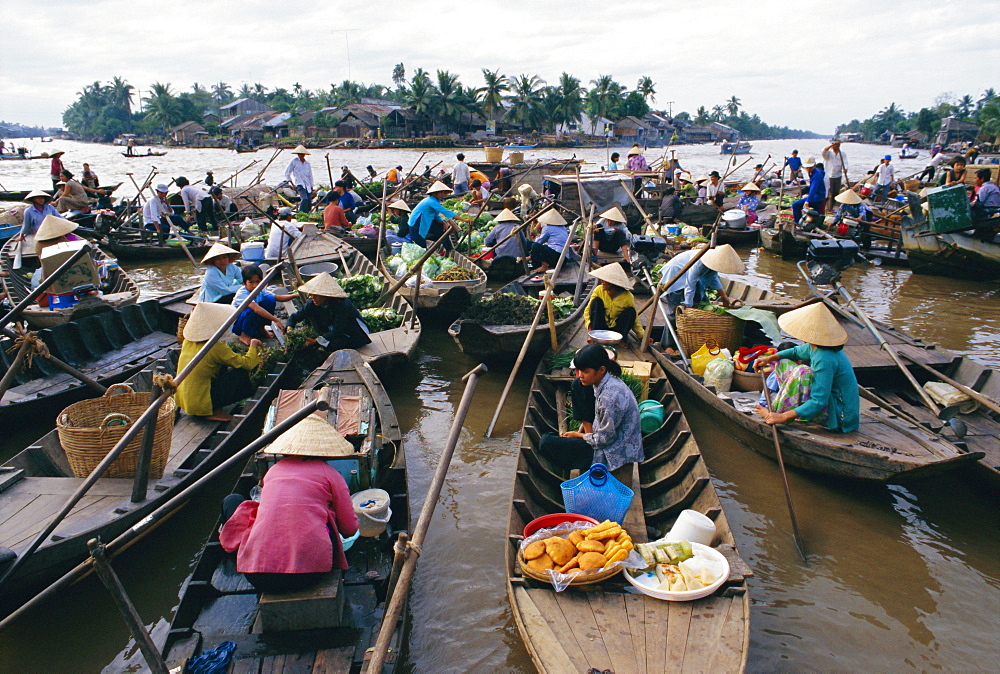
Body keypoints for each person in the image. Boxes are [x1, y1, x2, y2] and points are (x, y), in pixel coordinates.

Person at [219, 415, 359, 593]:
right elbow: (350, 529)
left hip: (257, 577)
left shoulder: (273, 471)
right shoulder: (331, 474)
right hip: (310, 574)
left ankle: (236, 551)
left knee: (232, 501)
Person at [753, 303, 859, 432]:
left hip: (838, 415)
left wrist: (784, 416)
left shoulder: (824, 358)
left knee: (803, 371)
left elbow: (818, 401)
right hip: (827, 401)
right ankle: (780, 408)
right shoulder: (816, 346)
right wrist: (768, 359)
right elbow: (796, 352)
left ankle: (776, 412)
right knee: (783, 361)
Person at [537, 344, 643, 472]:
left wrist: (578, 435)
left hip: (615, 452)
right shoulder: (607, 381)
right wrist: (583, 432)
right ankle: (585, 437)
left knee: (546, 442)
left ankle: (588, 464)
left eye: (586, 371)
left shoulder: (608, 398)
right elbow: (599, 417)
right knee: (578, 384)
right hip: (607, 438)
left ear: (601, 370)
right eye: (579, 370)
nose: (580, 375)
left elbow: (605, 440)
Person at [175, 302, 262, 422]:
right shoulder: (215, 347)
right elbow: (247, 364)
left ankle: (213, 406)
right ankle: (215, 411)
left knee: (221, 367)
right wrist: (253, 345)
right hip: (199, 404)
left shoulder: (187, 341)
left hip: (185, 401)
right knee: (240, 372)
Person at [286, 273, 371, 352]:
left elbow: (338, 330)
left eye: (316, 295)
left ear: (325, 295)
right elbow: (295, 317)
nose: (313, 298)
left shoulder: (341, 305)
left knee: (332, 345)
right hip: (333, 328)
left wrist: (316, 340)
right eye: (311, 295)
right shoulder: (312, 303)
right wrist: (289, 328)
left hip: (352, 331)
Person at [231, 265, 296, 344]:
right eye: (251, 282)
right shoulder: (242, 293)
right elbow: (256, 309)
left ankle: (261, 328)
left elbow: (277, 297)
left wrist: (295, 295)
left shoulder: (260, 290)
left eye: (258, 282)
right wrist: (275, 320)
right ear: (244, 283)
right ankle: (244, 335)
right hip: (238, 324)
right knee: (252, 310)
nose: (255, 285)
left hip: (250, 318)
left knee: (270, 300)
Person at [584, 262, 643, 342]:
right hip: (600, 326)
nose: (602, 281)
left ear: (613, 283)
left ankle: (621, 339)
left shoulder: (628, 297)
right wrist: (590, 327)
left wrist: (642, 336)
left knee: (631, 311)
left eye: (606, 280)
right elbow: (588, 311)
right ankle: (595, 335)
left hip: (616, 330)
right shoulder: (599, 290)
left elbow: (635, 320)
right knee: (596, 302)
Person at [409, 181, 458, 250]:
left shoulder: (435, 200)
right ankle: (425, 254)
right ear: (436, 193)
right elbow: (445, 212)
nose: (445, 195)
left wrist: (442, 222)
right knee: (420, 243)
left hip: (424, 220)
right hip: (416, 222)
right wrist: (463, 219)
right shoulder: (431, 201)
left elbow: (435, 214)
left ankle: (449, 249)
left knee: (441, 229)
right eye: (443, 193)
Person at [529, 208, 570, 274]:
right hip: (564, 259)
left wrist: (536, 224)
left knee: (534, 245)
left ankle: (544, 266)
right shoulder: (563, 227)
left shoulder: (548, 227)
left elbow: (537, 241)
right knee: (534, 245)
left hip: (557, 257)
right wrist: (533, 222)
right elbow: (533, 233)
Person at [592, 206, 633, 271]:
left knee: (620, 232)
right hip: (602, 245)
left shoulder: (620, 225)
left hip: (613, 247)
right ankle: (595, 252)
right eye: (609, 221)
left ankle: (626, 256)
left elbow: (629, 235)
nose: (610, 223)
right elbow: (594, 228)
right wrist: (595, 229)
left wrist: (620, 232)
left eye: (612, 221)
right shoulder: (602, 221)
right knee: (598, 228)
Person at [792, 157, 826, 222]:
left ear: (814, 165)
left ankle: (797, 222)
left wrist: (807, 201)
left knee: (795, 205)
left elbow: (813, 189)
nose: (808, 169)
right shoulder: (813, 173)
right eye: (807, 168)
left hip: (817, 197)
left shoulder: (817, 175)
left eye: (810, 167)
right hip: (817, 195)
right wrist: (807, 194)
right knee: (816, 214)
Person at [970, 168, 1000, 241]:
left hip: (988, 211)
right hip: (993, 210)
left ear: (982, 179)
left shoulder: (984, 188)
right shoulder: (993, 186)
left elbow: (978, 202)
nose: (974, 180)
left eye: (975, 178)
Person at [284, 145, 314, 213]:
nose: (300, 155)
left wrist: (312, 187)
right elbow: (287, 173)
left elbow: (310, 176)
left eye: (302, 154)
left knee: (309, 200)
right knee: (304, 199)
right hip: (299, 184)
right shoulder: (294, 162)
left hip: (308, 185)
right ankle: (300, 213)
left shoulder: (307, 164)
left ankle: (307, 213)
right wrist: (292, 184)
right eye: (299, 154)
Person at [821, 140, 849, 208]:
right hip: (829, 175)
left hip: (838, 175)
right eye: (834, 145)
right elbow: (823, 151)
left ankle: (832, 206)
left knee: (836, 192)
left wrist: (845, 169)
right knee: (829, 192)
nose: (835, 146)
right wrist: (831, 145)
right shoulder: (829, 153)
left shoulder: (842, 154)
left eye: (836, 145)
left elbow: (845, 162)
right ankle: (828, 207)